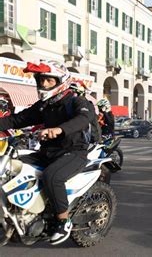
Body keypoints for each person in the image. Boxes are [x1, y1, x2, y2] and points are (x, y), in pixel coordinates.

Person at [0, 60, 90, 245]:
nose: (44, 85)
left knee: (52, 176)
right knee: (11, 164)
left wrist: (59, 129)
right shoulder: (43, 105)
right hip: (48, 151)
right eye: (41, 80)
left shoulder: (76, 101)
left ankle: (63, 221)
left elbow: (84, 118)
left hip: (73, 152)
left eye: (49, 81)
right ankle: (24, 210)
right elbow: (17, 119)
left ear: (61, 81)